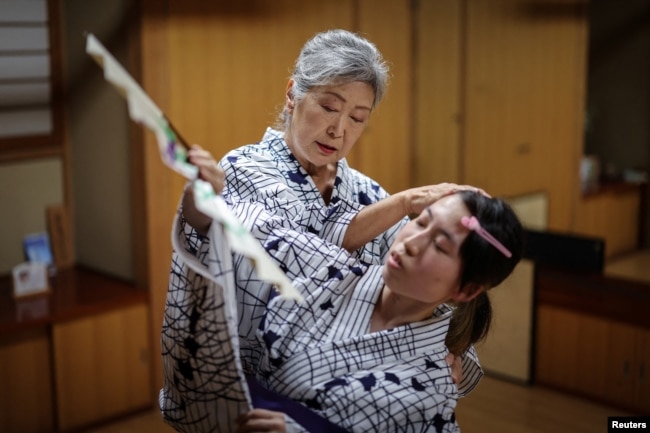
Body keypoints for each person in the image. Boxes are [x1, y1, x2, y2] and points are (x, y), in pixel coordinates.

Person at [179, 28, 482, 393]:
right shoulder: (244, 168)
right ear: (292, 94)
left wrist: (450, 348)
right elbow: (303, 254)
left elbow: (417, 281)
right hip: (251, 373)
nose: (338, 130)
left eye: (357, 118)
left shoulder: (368, 193)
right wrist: (200, 198)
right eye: (329, 107)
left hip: (344, 387)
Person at [161, 176, 524, 432]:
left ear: (465, 290)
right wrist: (203, 188)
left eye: (441, 246)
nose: (411, 242)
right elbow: (221, 221)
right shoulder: (329, 269)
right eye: (420, 222)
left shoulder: (431, 385)